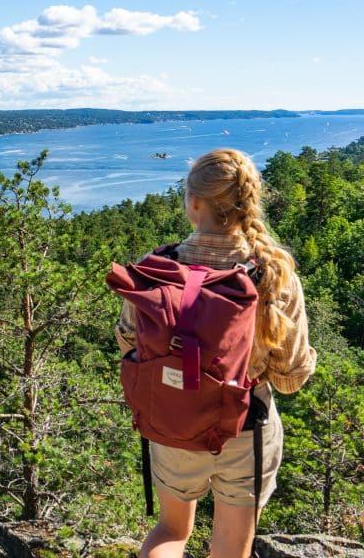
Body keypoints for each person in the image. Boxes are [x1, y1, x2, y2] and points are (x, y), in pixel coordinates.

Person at [114, 148, 316, 558]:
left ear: (194, 203)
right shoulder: (274, 274)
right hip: (247, 425)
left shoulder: (156, 268)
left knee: (171, 531)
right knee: (229, 548)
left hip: (173, 420)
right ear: (248, 203)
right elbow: (290, 378)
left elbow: (128, 345)